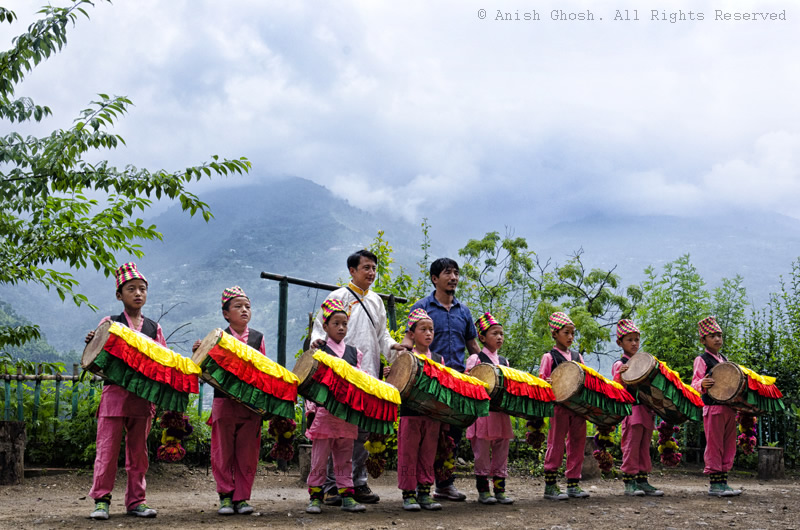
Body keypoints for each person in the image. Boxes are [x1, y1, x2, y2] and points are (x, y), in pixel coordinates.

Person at [309, 249, 404, 505]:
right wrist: (317, 343)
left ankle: (357, 483)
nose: (371, 273)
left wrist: (394, 348)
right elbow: (320, 329)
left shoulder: (376, 301)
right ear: (352, 270)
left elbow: (383, 336)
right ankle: (330, 486)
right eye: (366, 268)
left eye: (374, 268)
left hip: (368, 373)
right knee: (333, 431)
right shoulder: (337, 297)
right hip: (340, 376)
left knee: (360, 432)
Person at [85, 263, 162, 520]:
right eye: (131, 289)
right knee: (106, 451)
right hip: (114, 396)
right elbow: (96, 358)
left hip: (142, 399)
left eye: (142, 289)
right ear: (120, 295)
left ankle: (136, 501)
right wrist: (93, 340)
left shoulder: (154, 328)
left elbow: (163, 361)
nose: (138, 293)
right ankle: (101, 501)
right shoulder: (110, 323)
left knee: (138, 454)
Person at [402, 257, 480, 502]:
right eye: (448, 273)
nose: (454, 277)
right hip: (426, 383)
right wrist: (400, 362)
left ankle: (444, 485)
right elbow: (407, 339)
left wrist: (489, 365)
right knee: (420, 436)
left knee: (450, 436)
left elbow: (472, 345)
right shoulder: (422, 307)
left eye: (456, 273)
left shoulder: (464, 311)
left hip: (455, 382)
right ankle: (414, 488)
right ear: (435, 278)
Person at [192, 286, 265, 515]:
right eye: (238, 306)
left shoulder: (257, 338)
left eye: (247, 306)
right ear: (226, 313)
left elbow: (264, 369)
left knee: (247, 453)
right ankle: (225, 496)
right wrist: (199, 351)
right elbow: (202, 368)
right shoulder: (217, 338)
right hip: (223, 403)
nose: (244, 310)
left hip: (250, 406)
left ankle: (242, 498)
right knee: (222, 451)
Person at [306, 299, 368, 514]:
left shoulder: (354, 352)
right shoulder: (319, 351)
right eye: (336, 324)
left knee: (344, 457)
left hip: (346, 415)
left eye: (344, 324)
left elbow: (359, 380)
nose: (341, 328)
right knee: (319, 458)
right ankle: (315, 496)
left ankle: (347, 496)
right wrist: (311, 411)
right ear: (325, 327)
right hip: (324, 414)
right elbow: (311, 383)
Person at [396, 308, 443, 512]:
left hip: (432, 414)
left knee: (428, 453)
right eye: (423, 329)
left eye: (431, 329)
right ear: (412, 334)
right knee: (408, 452)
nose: (428, 333)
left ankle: (425, 492)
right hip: (410, 413)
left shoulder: (440, 359)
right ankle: (408, 494)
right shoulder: (405, 357)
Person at [538, 311, 589, 500]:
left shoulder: (577, 357)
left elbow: (586, 377)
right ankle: (550, 486)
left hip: (578, 408)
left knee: (577, 442)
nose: (570, 337)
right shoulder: (549, 357)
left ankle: (573, 484)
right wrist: (548, 383)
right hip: (558, 408)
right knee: (556, 443)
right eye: (566, 333)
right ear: (555, 333)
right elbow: (541, 382)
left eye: (572, 333)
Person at [465, 312, 514, 505]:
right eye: (495, 333)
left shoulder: (504, 361)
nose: (499, 337)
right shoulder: (475, 359)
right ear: (483, 337)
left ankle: (500, 490)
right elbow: (468, 384)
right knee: (482, 452)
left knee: (502, 450)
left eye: (501, 333)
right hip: (483, 414)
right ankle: (483, 491)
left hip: (500, 413)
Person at [691, 316, 743, 497]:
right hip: (713, 408)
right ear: (703, 340)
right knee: (714, 445)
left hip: (729, 408)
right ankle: (715, 484)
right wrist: (701, 384)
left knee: (728, 444)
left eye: (719, 335)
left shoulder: (724, 359)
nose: (717, 339)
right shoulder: (702, 359)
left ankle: (724, 482)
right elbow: (694, 383)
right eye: (712, 336)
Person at [611, 319, 663, 497]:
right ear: (620, 343)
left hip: (645, 411)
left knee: (644, 447)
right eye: (630, 340)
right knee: (631, 446)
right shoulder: (620, 365)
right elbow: (616, 389)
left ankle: (643, 480)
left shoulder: (642, 362)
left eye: (637, 340)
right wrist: (621, 376)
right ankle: (629, 482)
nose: (634, 343)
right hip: (631, 411)